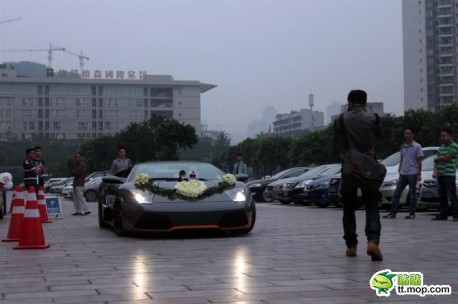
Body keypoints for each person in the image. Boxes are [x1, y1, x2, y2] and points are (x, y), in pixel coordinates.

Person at [334, 89, 383, 261]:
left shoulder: (340, 119)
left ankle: (351, 246)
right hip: (369, 167)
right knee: (372, 205)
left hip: (349, 168)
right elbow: (379, 136)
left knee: (349, 207)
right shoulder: (373, 117)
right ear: (364, 102)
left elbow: (337, 142)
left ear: (348, 102)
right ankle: (373, 242)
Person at [383, 128, 423, 219]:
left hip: (413, 173)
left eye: (408, 133)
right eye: (405, 133)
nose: (406, 135)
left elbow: (419, 161)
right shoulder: (403, 146)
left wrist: (419, 173)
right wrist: (400, 168)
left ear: (413, 135)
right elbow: (402, 158)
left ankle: (412, 213)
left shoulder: (417, 146)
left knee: (412, 193)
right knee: (397, 193)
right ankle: (392, 213)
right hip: (403, 173)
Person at [431, 128, 458, 221]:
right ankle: (443, 214)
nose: (441, 137)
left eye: (444, 135)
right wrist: (435, 171)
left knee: (452, 195)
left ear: (449, 136)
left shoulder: (454, 146)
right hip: (441, 174)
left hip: (449, 174)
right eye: (441, 135)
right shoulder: (441, 147)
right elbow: (436, 160)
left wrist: (438, 159)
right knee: (442, 196)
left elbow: (448, 157)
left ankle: (456, 215)